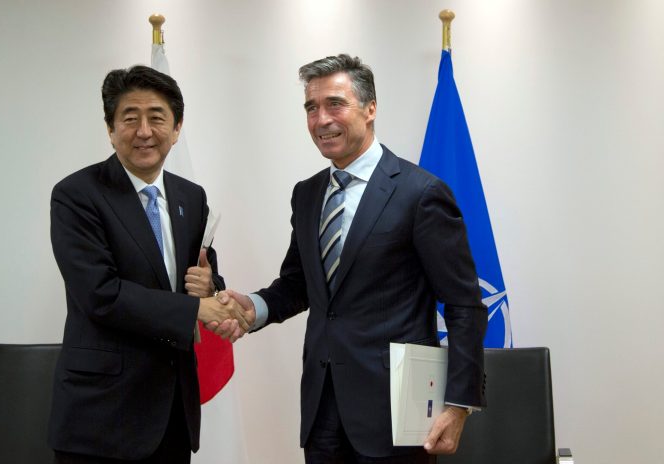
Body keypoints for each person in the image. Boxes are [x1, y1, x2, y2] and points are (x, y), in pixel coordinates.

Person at [218, 54, 487, 463]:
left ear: (371, 108)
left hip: (397, 416)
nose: (321, 119)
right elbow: (300, 284)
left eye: (335, 104)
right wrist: (253, 307)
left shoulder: (420, 193)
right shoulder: (306, 194)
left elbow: (464, 304)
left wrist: (458, 402)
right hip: (322, 411)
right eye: (311, 107)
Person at [47, 65, 250, 464]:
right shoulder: (77, 195)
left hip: (173, 411)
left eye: (157, 117)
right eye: (130, 118)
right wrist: (196, 308)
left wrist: (211, 290)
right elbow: (100, 295)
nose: (144, 131)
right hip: (101, 419)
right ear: (110, 128)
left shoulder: (191, 197)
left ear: (176, 129)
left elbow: (203, 277)